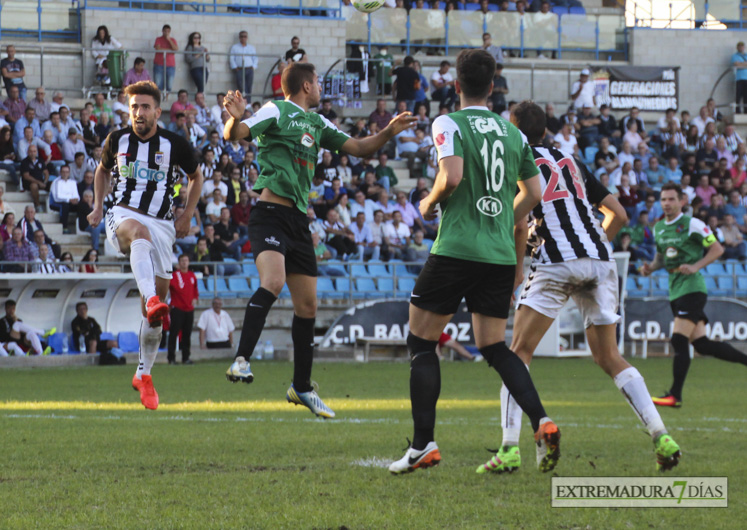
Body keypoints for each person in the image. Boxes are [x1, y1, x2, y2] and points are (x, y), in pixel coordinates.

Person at [476, 101, 681, 474]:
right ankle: (661, 435)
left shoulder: (515, 160)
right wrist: (591, 249)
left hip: (555, 261)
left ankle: (509, 450)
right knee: (610, 358)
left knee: (516, 354)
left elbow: (520, 224)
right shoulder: (570, 161)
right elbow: (617, 214)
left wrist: (516, 271)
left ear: (516, 129)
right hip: (600, 261)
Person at [387, 49, 556, 476]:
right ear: (494, 85)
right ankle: (542, 421)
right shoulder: (512, 133)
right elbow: (534, 193)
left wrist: (427, 201)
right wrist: (501, 219)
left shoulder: (448, 122)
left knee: (422, 343)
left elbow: (453, 176)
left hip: (457, 248)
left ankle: (423, 445)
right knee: (496, 347)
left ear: (456, 85)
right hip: (499, 255)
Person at [222, 62, 416, 417]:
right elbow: (236, 134)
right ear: (306, 85)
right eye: (319, 83)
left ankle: (301, 387)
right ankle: (241, 359)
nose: (322, 88)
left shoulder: (318, 122)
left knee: (307, 307)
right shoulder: (276, 109)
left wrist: (388, 132)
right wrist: (234, 119)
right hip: (269, 215)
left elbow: (358, 148)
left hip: (298, 221)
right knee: (273, 281)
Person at [87, 81, 202, 410]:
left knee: (154, 317)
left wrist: (187, 215)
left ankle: (144, 374)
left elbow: (197, 177)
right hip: (123, 215)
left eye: (145, 107)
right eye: (134, 107)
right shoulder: (117, 140)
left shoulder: (175, 145)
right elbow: (102, 171)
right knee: (138, 233)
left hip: (164, 226)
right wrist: (98, 206)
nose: (138, 112)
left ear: (158, 111)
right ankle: (151, 298)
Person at [641, 183, 747, 408]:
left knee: (679, 340)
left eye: (671, 199)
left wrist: (696, 265)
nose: (667, 204)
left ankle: (674, 395)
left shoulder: (693, 225)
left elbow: (717, 249)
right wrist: (650, 268)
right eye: (663, 200)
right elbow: (661, 258)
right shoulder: (659, 228)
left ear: (682, 202)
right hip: (675, 290)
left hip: (693, 289)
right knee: (701, 344)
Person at [167, 254, 199, 365]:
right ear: (179, 263)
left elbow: (195, 290)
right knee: (173, 333)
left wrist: (195, 298)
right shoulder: (175, 275)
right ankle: (171, 358)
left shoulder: (192, 275)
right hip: (178, 308)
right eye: (182, 261)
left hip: (189, 309)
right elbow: (168, 286)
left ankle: (186, 357)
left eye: (186, 260)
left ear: (189, 262)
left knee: (187, 334)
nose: (184, 263)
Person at [229, 30, 257, 98]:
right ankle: (243, 103)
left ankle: (248, 103)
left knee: (249, 87)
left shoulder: (251, 48)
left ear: (247, 37)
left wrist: (253, 67)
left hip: (249, 69)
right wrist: (235, 68)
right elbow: (232, 58)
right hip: (240, 69)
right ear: (239, 37)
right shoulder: (235, 47)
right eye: (242, 36)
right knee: (241, 88)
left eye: (245, 36)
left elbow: (255, 58)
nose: (243, 38)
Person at [153, 25, 178, 94]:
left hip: (170, 65)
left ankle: (166, 97)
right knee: (158, 83)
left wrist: (169, 40)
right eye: (165, 31)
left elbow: (175, 49)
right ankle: (159, 97)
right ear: (162, 31)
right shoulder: (158, 39)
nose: (166, 33)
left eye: (168, 31)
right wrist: (170, 50)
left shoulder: (172, 40)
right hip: (159, 64)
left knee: (169, 84)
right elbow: (158, 48)